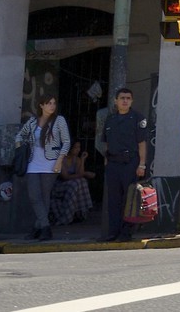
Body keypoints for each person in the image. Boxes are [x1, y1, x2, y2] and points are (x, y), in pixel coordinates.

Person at [97, 86, 148, 241]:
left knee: (129, 199)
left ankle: (126, 233)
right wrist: (107, 160)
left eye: (128, 98)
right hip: (113, 163)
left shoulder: (137, 118)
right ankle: (113, 232)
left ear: (131, 101)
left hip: (130, 163)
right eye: (122, 98)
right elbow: (105, 142)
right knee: (113, 200)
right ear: (116, 101)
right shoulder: (111, 119)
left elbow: (142, 143)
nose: (125, 101)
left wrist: (142, 165)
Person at [17, 94, 70, 240]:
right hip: (33, 163)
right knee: (34, 196)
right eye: (48, 103)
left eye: (53, 103)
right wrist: (22, 148)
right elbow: (19, 136)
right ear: (41, 106)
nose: (52, 106)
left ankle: (39, 229)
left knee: (45, 197)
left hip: (51, 163)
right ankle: (44, 226)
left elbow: (66, 142)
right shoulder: (33, 121)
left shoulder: (59, 121)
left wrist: (59, 160)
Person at [52, 142, 94, 227]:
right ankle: (67, 217)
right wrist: (85, 174)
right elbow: (65, 176)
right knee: (76, 183)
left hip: (72, 187)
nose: (78, 150)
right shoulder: (61, 159)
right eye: (75, 148)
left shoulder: (76, 159)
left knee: (81, 181)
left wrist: (82, 160)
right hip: (59, 186)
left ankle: (81, 211)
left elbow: (80, 173)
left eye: (79, 147)